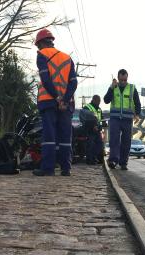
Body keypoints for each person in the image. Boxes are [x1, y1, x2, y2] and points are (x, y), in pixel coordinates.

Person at [33, 28, 78, 176]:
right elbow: (73, 82)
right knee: (65, 136)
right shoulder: (67, 58)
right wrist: (64, 99)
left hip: (48, 102)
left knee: (49, 136)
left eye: (38, 45)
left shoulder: (41, 55)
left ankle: (48, 168)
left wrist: (56, 97)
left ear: (40, 43)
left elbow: (45, 79)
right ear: (51, 41)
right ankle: (66, 169)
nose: (38, 48)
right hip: (66, 103)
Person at [103, 69, 141, 170]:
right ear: (118, 78)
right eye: (121, 80)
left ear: (127, 78)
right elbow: (106, 100)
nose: (123, 82)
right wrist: (111, 88)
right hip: (115, 118)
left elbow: (137, 102)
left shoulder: (132, 88)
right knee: (114, 140)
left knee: (126, 141)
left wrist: (137, 114)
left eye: (125, 80)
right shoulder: (113, 87)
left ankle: (123, 162)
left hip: (127, 119)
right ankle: (113, 160)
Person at [80, 95, 104, 164]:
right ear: (93, 100)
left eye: (99, 101)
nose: (98, 102)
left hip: (97, 130)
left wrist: (100, 127)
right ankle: (90, 160)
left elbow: (101, 120)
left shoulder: (99, 109)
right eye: (97, 101)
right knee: (90, 145)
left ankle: (94, 157)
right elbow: (84, 119)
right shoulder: (87, 107)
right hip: (89, 130)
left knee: (99, 145)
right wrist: (92, 126)